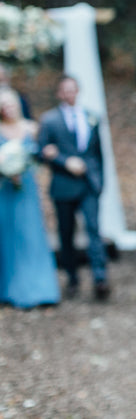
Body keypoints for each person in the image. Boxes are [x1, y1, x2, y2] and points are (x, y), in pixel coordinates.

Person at [37, 75, 111, 301]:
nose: (69, 94)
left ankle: (100, 277)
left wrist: (100, 182)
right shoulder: (49, 120)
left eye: (73, 90)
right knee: (66, 233)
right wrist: (63, 160)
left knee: (93, 229)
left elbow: (99, 154)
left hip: (89, 184)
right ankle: (72, 278)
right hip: (63, 185)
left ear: (78, 91)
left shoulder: (91, 117)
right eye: (65, 90)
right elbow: (41, 152)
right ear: (59, 93)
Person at [0, 88, 60, 308]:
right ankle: (10, 289)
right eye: (3, 105)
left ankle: (41, 288)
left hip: (27, 191)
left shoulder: (32, 128)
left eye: (10, 103)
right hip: (5, 191)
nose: (8, 108)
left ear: (18, 104)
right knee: (8, 238)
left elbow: (43, 156)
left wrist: (49, 153)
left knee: (32, 236)